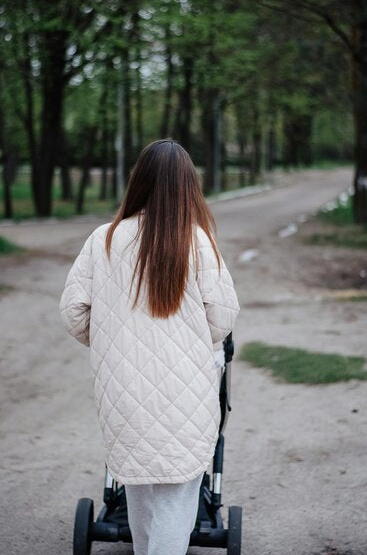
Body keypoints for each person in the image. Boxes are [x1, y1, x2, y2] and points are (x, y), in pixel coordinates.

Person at [59, 138, 241, 555]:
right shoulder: (198, 243)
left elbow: (73, 314)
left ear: (137, 182)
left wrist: (110, 337)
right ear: (188, 188)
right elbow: (222, 320)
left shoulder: (102, 240)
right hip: (186, 395)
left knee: (137, 495)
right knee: (177, 503)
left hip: (123, 393)